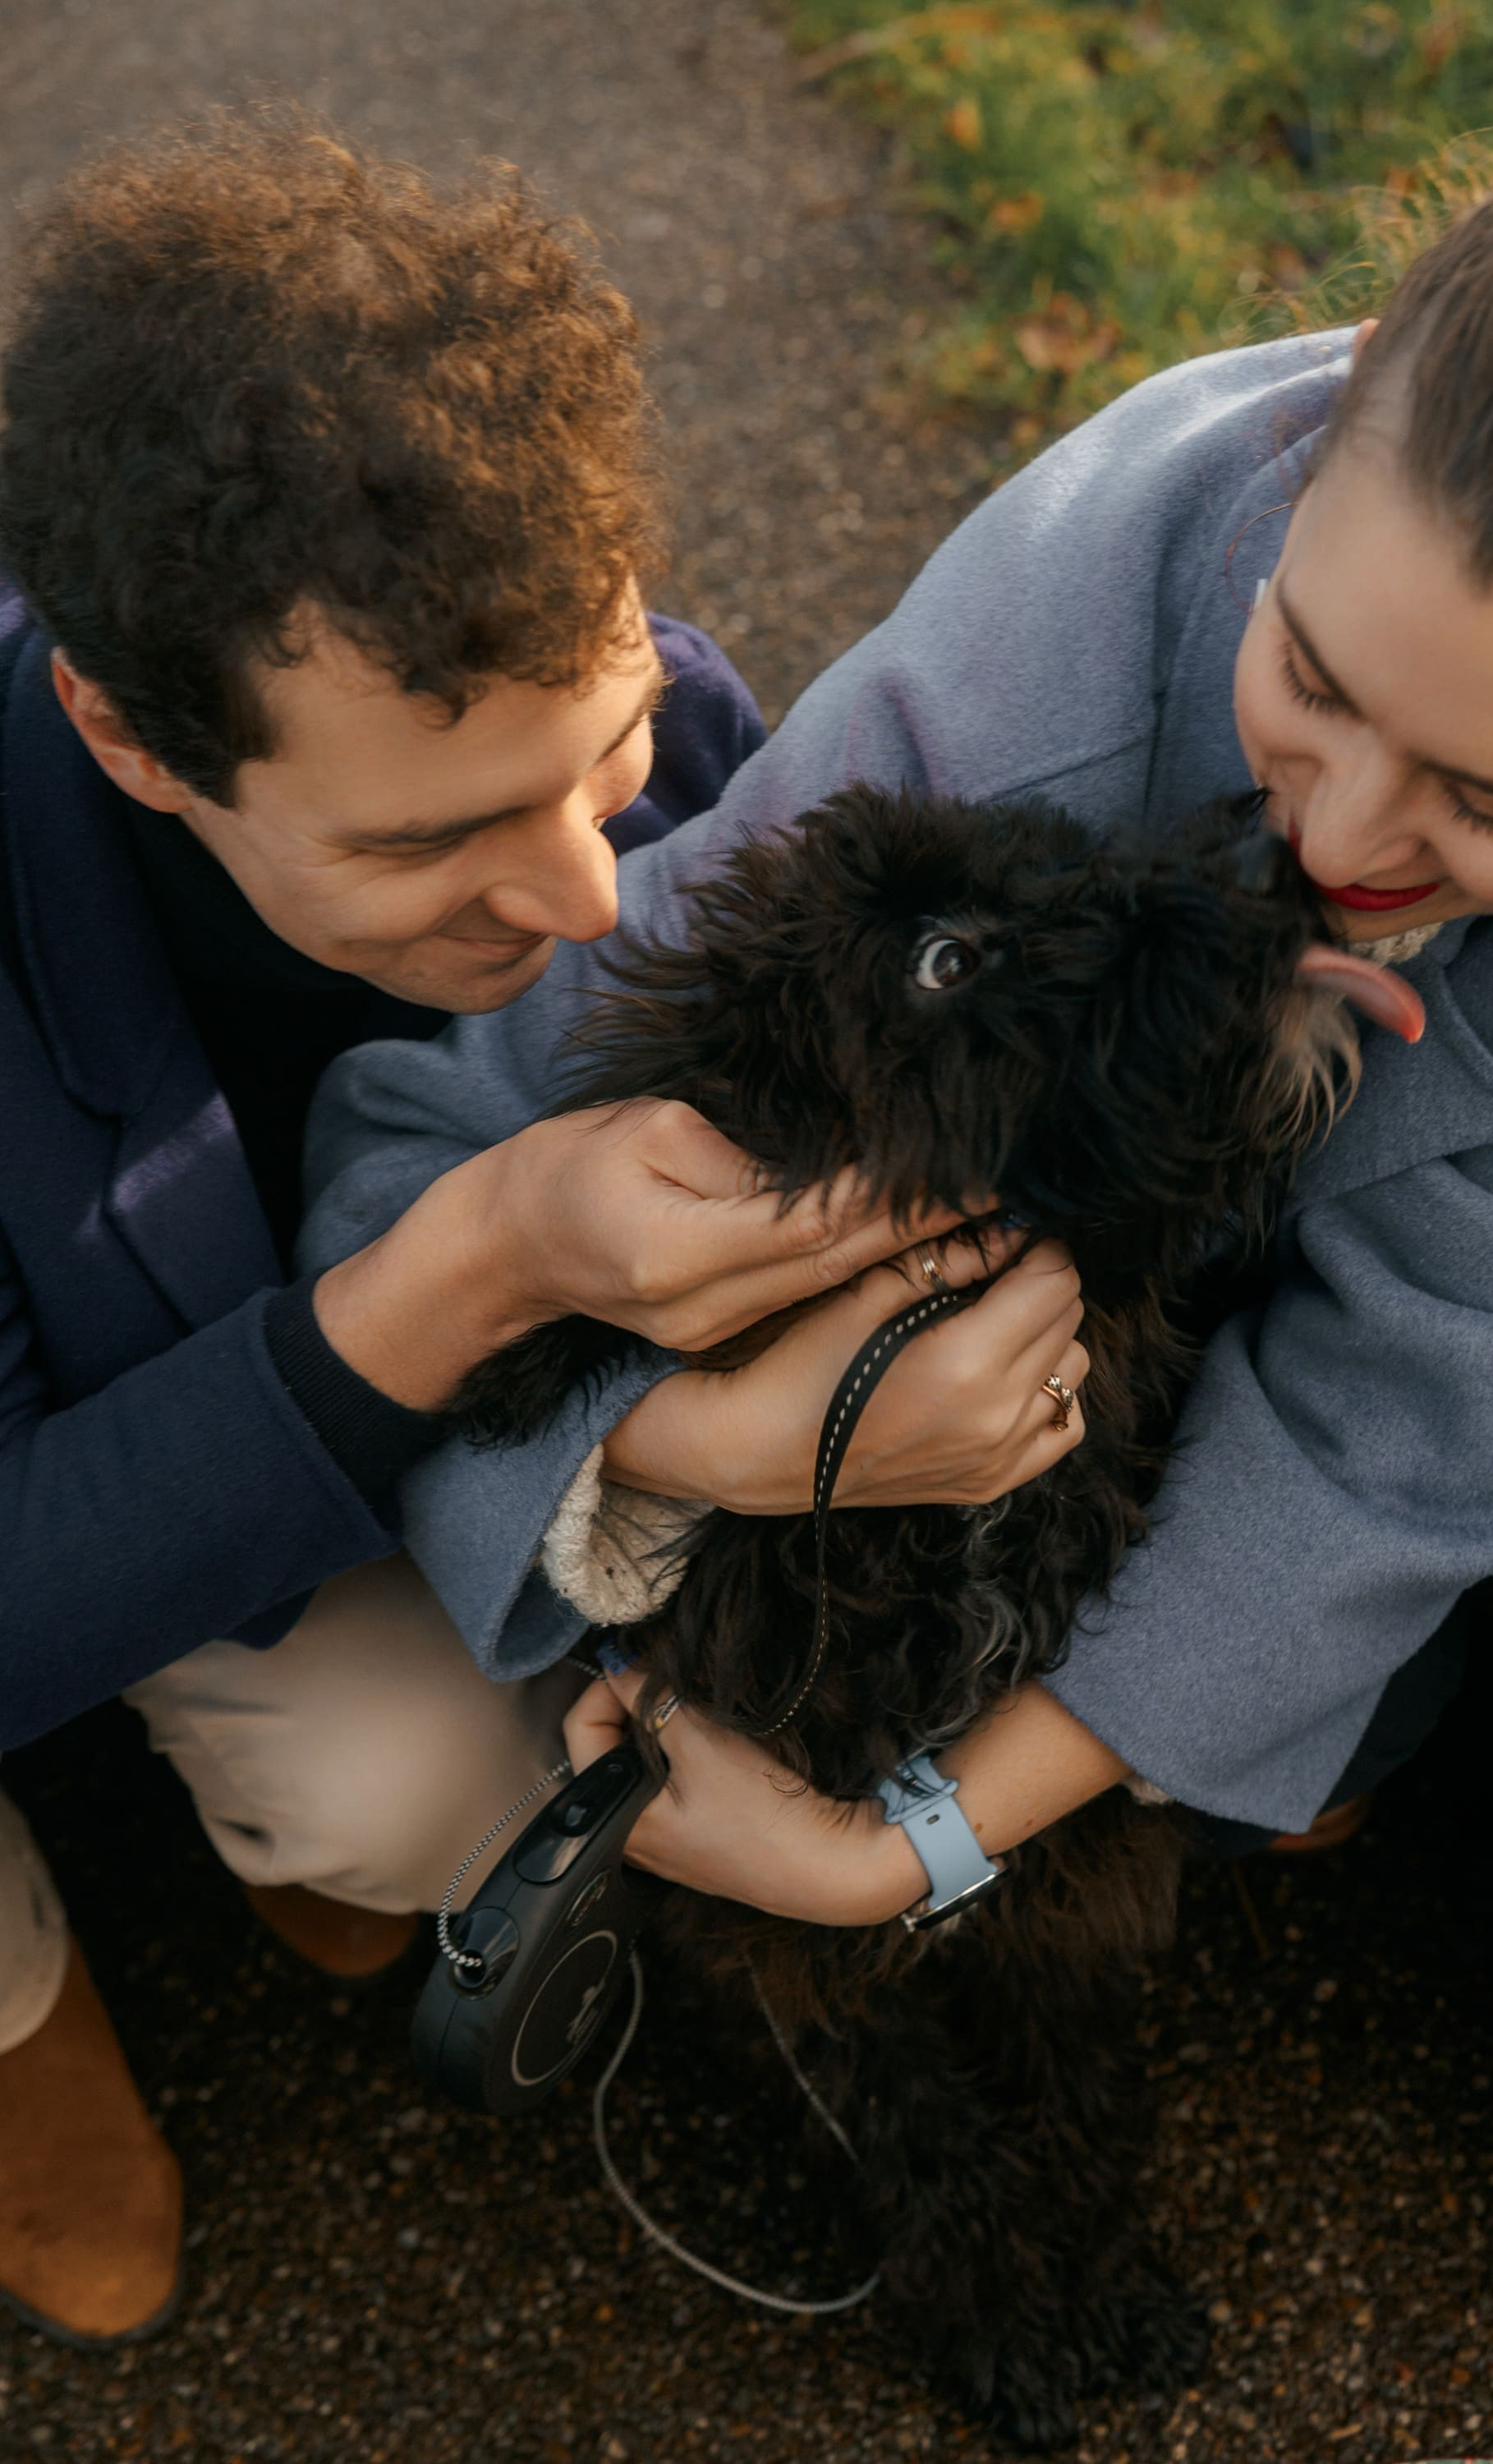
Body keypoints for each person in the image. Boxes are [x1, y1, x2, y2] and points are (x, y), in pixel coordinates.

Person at [305, 117, 1493, 2437]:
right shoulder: (985, 718)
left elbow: (1407, 1423)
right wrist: (680, 1444)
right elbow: (421, 1166)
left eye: (1491, 810)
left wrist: (898, 1843)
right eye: (1309, 675)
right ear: (1310, 468)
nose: (1337, 840)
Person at [0, 109, 1031, 2349]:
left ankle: (272, 1807)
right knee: (385, 1778)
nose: (589, 894)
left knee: (437, 1784)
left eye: (613, 750)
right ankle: (25, 2016)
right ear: (124, 734)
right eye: (434, 842)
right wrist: (476, 1262)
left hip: (300, 1423)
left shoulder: (583, 694)